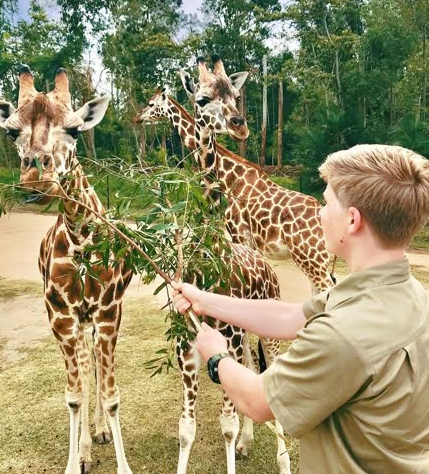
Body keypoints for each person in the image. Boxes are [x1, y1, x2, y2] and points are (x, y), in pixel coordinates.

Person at [172, 144, 429, 474]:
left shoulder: (342, 336)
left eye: (325, 203)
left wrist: (217, 356)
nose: (319, 213)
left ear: (352, 221)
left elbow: (257, 401)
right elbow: (289, 315)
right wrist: (203, 300)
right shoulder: (406, 294)